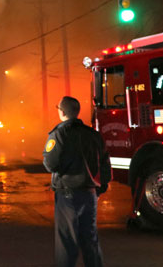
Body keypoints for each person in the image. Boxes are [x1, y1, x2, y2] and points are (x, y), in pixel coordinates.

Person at [43, 96, 111, 267]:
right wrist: (99, 190)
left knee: (67, 243)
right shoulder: (93, 135)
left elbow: (50, 164)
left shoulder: (59, 134)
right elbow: (105, 167)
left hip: (67, 195)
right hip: (90, 195)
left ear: (62, 112)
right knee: (90, 240)